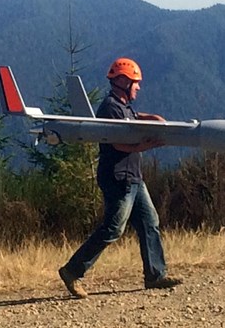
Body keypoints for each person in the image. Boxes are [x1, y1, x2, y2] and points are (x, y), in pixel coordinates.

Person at [58, 57, 182, 298]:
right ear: (123, 81)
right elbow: (117, 143)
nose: (138, 87)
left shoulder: (124, 105)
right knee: (113, 229)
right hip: (118, 178)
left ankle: (156, 275)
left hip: (134, 177)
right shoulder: (110, 107)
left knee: (149, 222)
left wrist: (151, 118)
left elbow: (132, 119)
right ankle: (72, 271)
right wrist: (144, 147)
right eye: (135, 83)